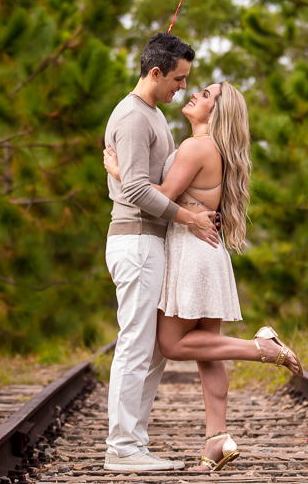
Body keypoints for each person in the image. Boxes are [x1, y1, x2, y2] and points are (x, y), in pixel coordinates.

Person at [105, 80, 304, 473]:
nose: (194, 93)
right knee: (208, 351)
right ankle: (217, 439)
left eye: (206, 95)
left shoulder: (197, 147)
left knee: (174, 345)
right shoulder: (210, 148)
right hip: (207, 251)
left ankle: (261, 349)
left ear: (215, 113)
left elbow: (157, 195)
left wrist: (119, 171)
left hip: (191, 252)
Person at [102, 32, 221, 473]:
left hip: (149, 242)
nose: (183, 88)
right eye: (179, 79)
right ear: (155, 73)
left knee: (151, 349)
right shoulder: (133, 117)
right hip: (135, 241)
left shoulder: (152, 115)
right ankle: (121, 446)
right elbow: (133, 188)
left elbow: (130, 180)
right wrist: (188, 219)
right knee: (135, 343)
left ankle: (134, 441)